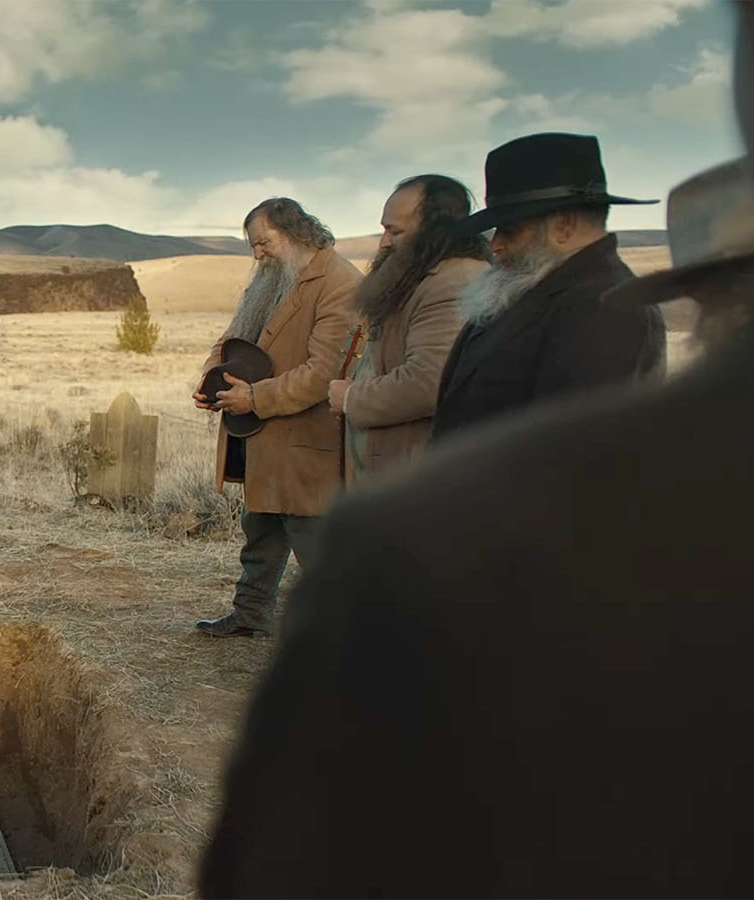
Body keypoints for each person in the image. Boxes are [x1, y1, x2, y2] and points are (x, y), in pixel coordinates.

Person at [198, 12, 754, 893]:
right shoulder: (537, 293)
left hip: (524, 578)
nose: (492, 238)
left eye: (512, 224)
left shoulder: (599, 308)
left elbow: (569, 455)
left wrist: (432, 509)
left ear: (567, 221)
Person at [192, 198, 360, 637]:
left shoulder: (340, 283)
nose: (256, 255)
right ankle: (250, 617)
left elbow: (321, 373)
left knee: (315, 546)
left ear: (295, 233)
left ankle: (344, 637)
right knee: (260, 534)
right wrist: (213, 380)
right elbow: (233, 337)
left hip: (306, 442)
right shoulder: (272, 278)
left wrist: (255, 399)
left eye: (263, 243)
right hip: (263, 441)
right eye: (252, 246)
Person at [430, 132, 666, 441]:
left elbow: (574, 459)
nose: (496, 244)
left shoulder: (611, 309)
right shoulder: (523, 289)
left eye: (510, 230)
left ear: (564, 226)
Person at [328, 175, 488, 481]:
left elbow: (430, 381)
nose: (384, 242)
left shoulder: (453, 283)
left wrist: (352, 398)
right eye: (384, 229)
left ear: (435, 231)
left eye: (395, 231)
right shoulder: (422, 276)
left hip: (423, 479)